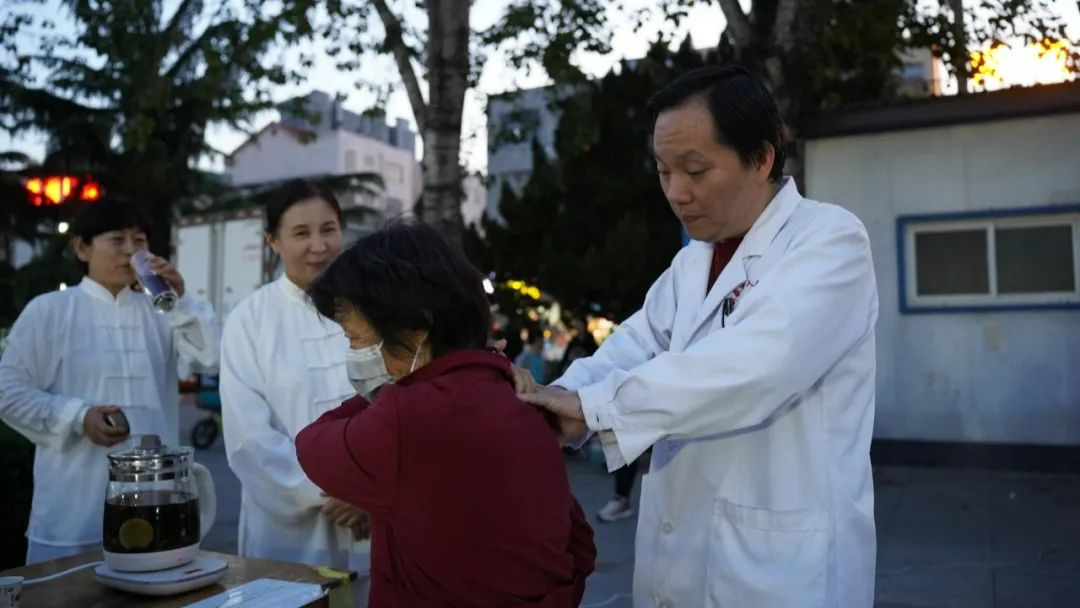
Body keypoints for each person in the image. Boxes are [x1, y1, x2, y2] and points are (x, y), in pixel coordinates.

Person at [519, 65, 879, 607]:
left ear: (762, 158)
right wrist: (548, 400)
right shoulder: (692, 264)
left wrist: (594, 407)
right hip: (680, 559)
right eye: (664, 171)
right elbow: (633, 347)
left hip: (780, 574)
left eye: (694, 170)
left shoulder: (830, 241)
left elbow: (758, 367)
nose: (676, 193)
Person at [295, 220, 596, 606]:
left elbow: (312, 445)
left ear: (416, 328)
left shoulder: (405, 415)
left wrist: (383, 390)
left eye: (356, 338)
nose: (354, 354)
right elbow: (578, 544)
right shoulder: (522, 400)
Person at [0, 198, 219, 564]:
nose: (131, 251)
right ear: (82, 248)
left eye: (140, 240)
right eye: (117, 240)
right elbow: (7, 391)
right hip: (71, 506)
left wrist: (181, 300)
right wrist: (77, 416)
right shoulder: (49, 310)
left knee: (154, 579)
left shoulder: (162, 311)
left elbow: (211, 359)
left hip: (158, 498)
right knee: (65, 590)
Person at [219, 180, 370, 585]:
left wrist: (369, 491)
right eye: (301, 233)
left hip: (374, 518)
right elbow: (250, 437)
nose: (319, 246)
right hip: (288, 529)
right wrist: (333, 490)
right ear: (273, 241)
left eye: (329, 229)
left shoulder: (376, 306)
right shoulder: (250, 320)